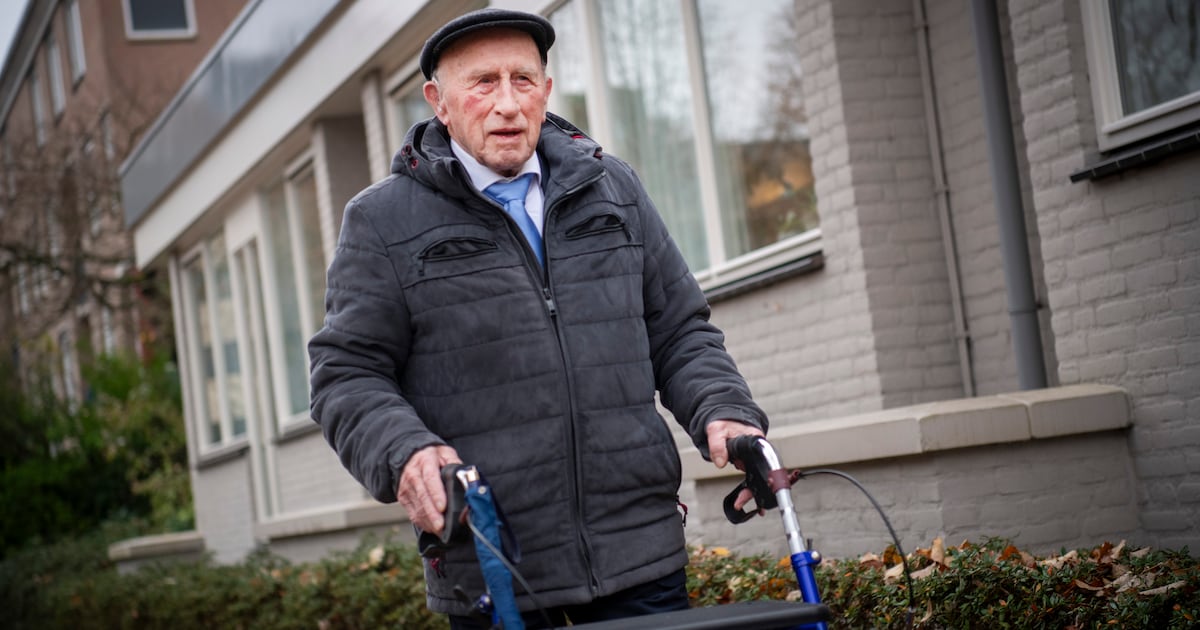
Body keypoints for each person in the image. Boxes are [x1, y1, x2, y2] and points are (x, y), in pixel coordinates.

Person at [308, 8, 767, 628]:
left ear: (547, 92)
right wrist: (406, 452)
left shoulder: (614, 188)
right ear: (438, 103)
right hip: (495, 565)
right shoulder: (383, 221)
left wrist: (722, 408)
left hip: (639, 554)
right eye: (483, 83)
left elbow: (679, 329)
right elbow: (347, 373)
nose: (507, 104)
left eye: (522, 80)